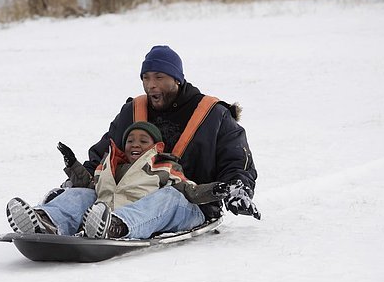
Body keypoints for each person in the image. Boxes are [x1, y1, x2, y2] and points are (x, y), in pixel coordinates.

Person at [81, 45, 260, 222]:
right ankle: (55, 219)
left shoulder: (213, 115)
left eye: (159, 77)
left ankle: (116, 225)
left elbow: (236, 161)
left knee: (167, 197)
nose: (151, 85)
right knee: (82, 196)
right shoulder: (133, 111)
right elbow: (105, 155)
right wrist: (78, 183)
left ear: (177, 80)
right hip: (128, 198)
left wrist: (238, 190)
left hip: (191, 203)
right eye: (146, 78)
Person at [6, 121, 229, 239]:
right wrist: (73, 164)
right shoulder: (110, 167)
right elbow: (89, 186)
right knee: (85, 194)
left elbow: (190, 191)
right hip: (108, 213)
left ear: (154, 147)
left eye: (143, 140)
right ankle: (46, 221)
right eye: (130, 140)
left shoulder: (163, 165)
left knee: (170, 195)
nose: (135, 144)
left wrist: (215, 190)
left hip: (170, 214)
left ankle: (116, 227)